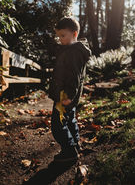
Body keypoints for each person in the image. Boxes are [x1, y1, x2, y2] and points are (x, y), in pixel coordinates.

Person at [49, 17, 91, 162]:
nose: (60, 39)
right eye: (58, 36)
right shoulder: (72, 50)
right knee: (70, 119)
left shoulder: (73, 52)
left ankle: (69, 151)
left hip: (64, 95)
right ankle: (76, 145)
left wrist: (68, 96)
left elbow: (74, 76)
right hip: (67, 95)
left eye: (63, 35)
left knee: (57, 125)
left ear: (74, 34)